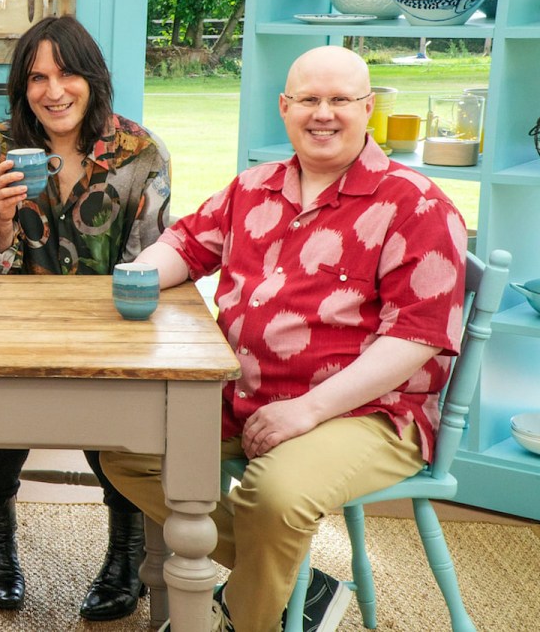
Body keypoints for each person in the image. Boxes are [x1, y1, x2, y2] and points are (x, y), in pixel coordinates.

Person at [100, 46, 468, 632]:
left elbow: (417, 338)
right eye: (309, 100)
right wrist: (140, 275)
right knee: (127, 452)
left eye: (340, 100)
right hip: (243, 394)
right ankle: (295, 579)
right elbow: (186, 245)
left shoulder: (416, 204)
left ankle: (248, 616)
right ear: (285, 107)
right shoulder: (255, 187)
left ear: (367, 108)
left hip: (368, 411)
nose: (323, 114)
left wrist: (308, 410)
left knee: (274, 497)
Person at [0, 15, 171, 620]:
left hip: (111, 333)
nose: (54, 91)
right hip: (16, 333)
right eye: (37, 77)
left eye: (68, 73)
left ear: (93, 77)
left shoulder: (139, 153)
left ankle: (125, 547)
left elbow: (151, 260)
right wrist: (0, 222)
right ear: (22, 88)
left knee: (121, 410)